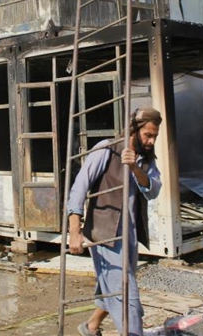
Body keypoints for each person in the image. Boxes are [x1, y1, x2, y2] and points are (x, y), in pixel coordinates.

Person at [67, 108, 163, 336]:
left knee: (113, 283)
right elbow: (79, 187)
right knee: (126, 292)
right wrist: (74, 230)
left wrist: (134, 167)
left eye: (155, 136)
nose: (151, 141)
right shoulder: (107, 150)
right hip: (105, 233)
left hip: (129, 234)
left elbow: (153, 190)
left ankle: (91, 327)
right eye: (148, 135)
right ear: (133, 130)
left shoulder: (145, 159)